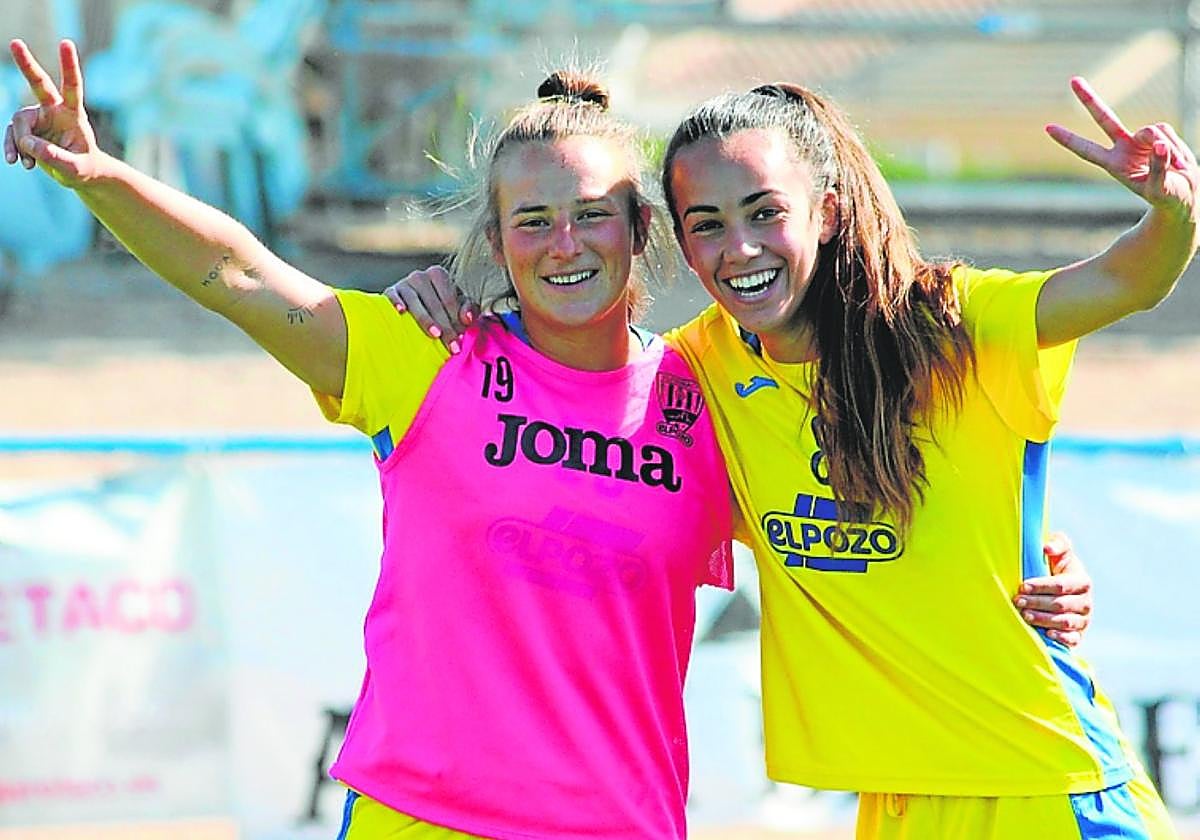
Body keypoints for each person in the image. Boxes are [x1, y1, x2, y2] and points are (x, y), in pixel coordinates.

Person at [5, 39, 1095, 839]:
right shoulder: (423, 358)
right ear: (497, 241)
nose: (564, 244)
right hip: (420, 816)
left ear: (641, 235)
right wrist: (101, 178)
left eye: (592, 216)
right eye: (532, 222)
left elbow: (868, 536)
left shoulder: (712, 400)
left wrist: (1041, 565)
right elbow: (235, 274)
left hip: (621, 822)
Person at [388, 80, 1186, 837]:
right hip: (900, 799)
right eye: (706, 223)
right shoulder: (698, 377)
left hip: (1050, 783)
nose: (740, 248)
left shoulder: (954, 324)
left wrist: (1172, 211)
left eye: (765, 212)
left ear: (827, 212)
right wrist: (452, 306)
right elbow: (583, 413)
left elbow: (1125, 280)